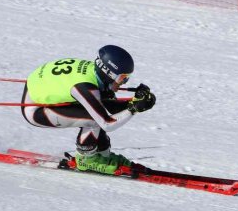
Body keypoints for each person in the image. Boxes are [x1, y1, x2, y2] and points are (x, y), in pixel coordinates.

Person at [21, 45, 156, 174]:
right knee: (94, 119)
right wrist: (134, 108)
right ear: (108, 72)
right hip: (35, 109)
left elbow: (111, 106)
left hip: (41, 90)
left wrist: (136, 102)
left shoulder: (96, 74)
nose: (123, 83)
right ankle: (86, 159)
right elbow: (107, 123)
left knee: (98, 111)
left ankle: (102, 155)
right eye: (122, 78)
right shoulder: (85, 87)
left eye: (126, 78)